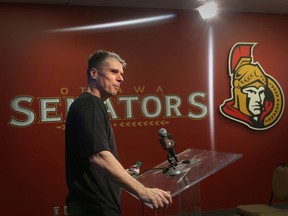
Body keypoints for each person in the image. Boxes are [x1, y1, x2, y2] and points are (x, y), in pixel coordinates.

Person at [65, 50, 172, 216]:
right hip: (95, 209)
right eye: (113, 72)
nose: (121, 78)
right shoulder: (90, 105)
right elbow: (99, 156)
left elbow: (92, 158)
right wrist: (143, 192)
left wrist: (122, 174)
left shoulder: (90, 105)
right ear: (93, 73)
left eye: (121, 74)